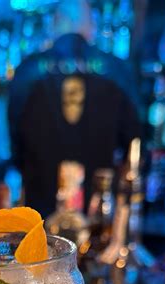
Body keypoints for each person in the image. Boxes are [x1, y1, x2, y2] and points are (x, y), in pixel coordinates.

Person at [8, 0, 142, 216]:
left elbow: (14, 142)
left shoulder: (28, 70)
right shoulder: (116, 69)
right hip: (97, 204)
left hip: (41, 205)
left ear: (54, 24)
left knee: (42, 236)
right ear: (91, 26)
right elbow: (134, 141)